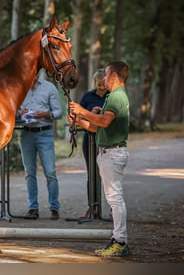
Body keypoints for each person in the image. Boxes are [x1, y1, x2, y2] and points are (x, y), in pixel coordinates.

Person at [68, 61, 130, 257]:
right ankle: (118, 239)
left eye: (106, 75)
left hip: (112, 153)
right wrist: (79, 120)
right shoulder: (115, 97)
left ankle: (120, 241)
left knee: (115, 198)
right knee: (114, 198)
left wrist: (82, 111)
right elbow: (96, 127)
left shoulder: (115, 98)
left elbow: (103, 120)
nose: (103, 80)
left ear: (113, 76)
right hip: (108, 152)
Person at [17, 73, 63, 220]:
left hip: (45, 133)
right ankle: (33, 208)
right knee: (29, 172)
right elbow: (11, 111)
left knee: (50, 172)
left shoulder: (49, 88)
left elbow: (59, 112)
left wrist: (44, 114)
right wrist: (20, 113)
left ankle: (54, 208)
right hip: (26, 134)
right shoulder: (19, 89)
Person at [79, 69, 109, 219]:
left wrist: (102, 112)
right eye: (99, 85)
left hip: (107, 139)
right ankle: (92, 206)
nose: (102, 88)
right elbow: (78, 113)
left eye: (104, 85)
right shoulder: (88, 96)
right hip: (89, 139)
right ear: (94, 83)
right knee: (92, 174)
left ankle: (110, 208)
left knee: (107, 174)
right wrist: (90, 112)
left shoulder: (112, 97)